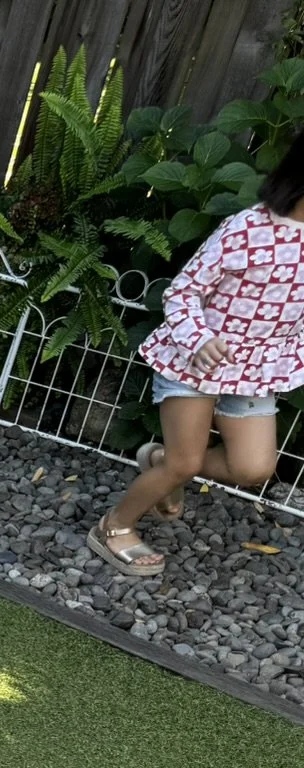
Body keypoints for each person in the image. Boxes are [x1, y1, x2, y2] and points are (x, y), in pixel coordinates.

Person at [97, 135, 304, 578]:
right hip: (195, 361)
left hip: (253, 373)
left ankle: (160, 466)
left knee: (254, 467)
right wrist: (199, 339)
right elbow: (183, 292)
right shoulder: (248, 228)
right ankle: (114, 526)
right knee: (186, 461)